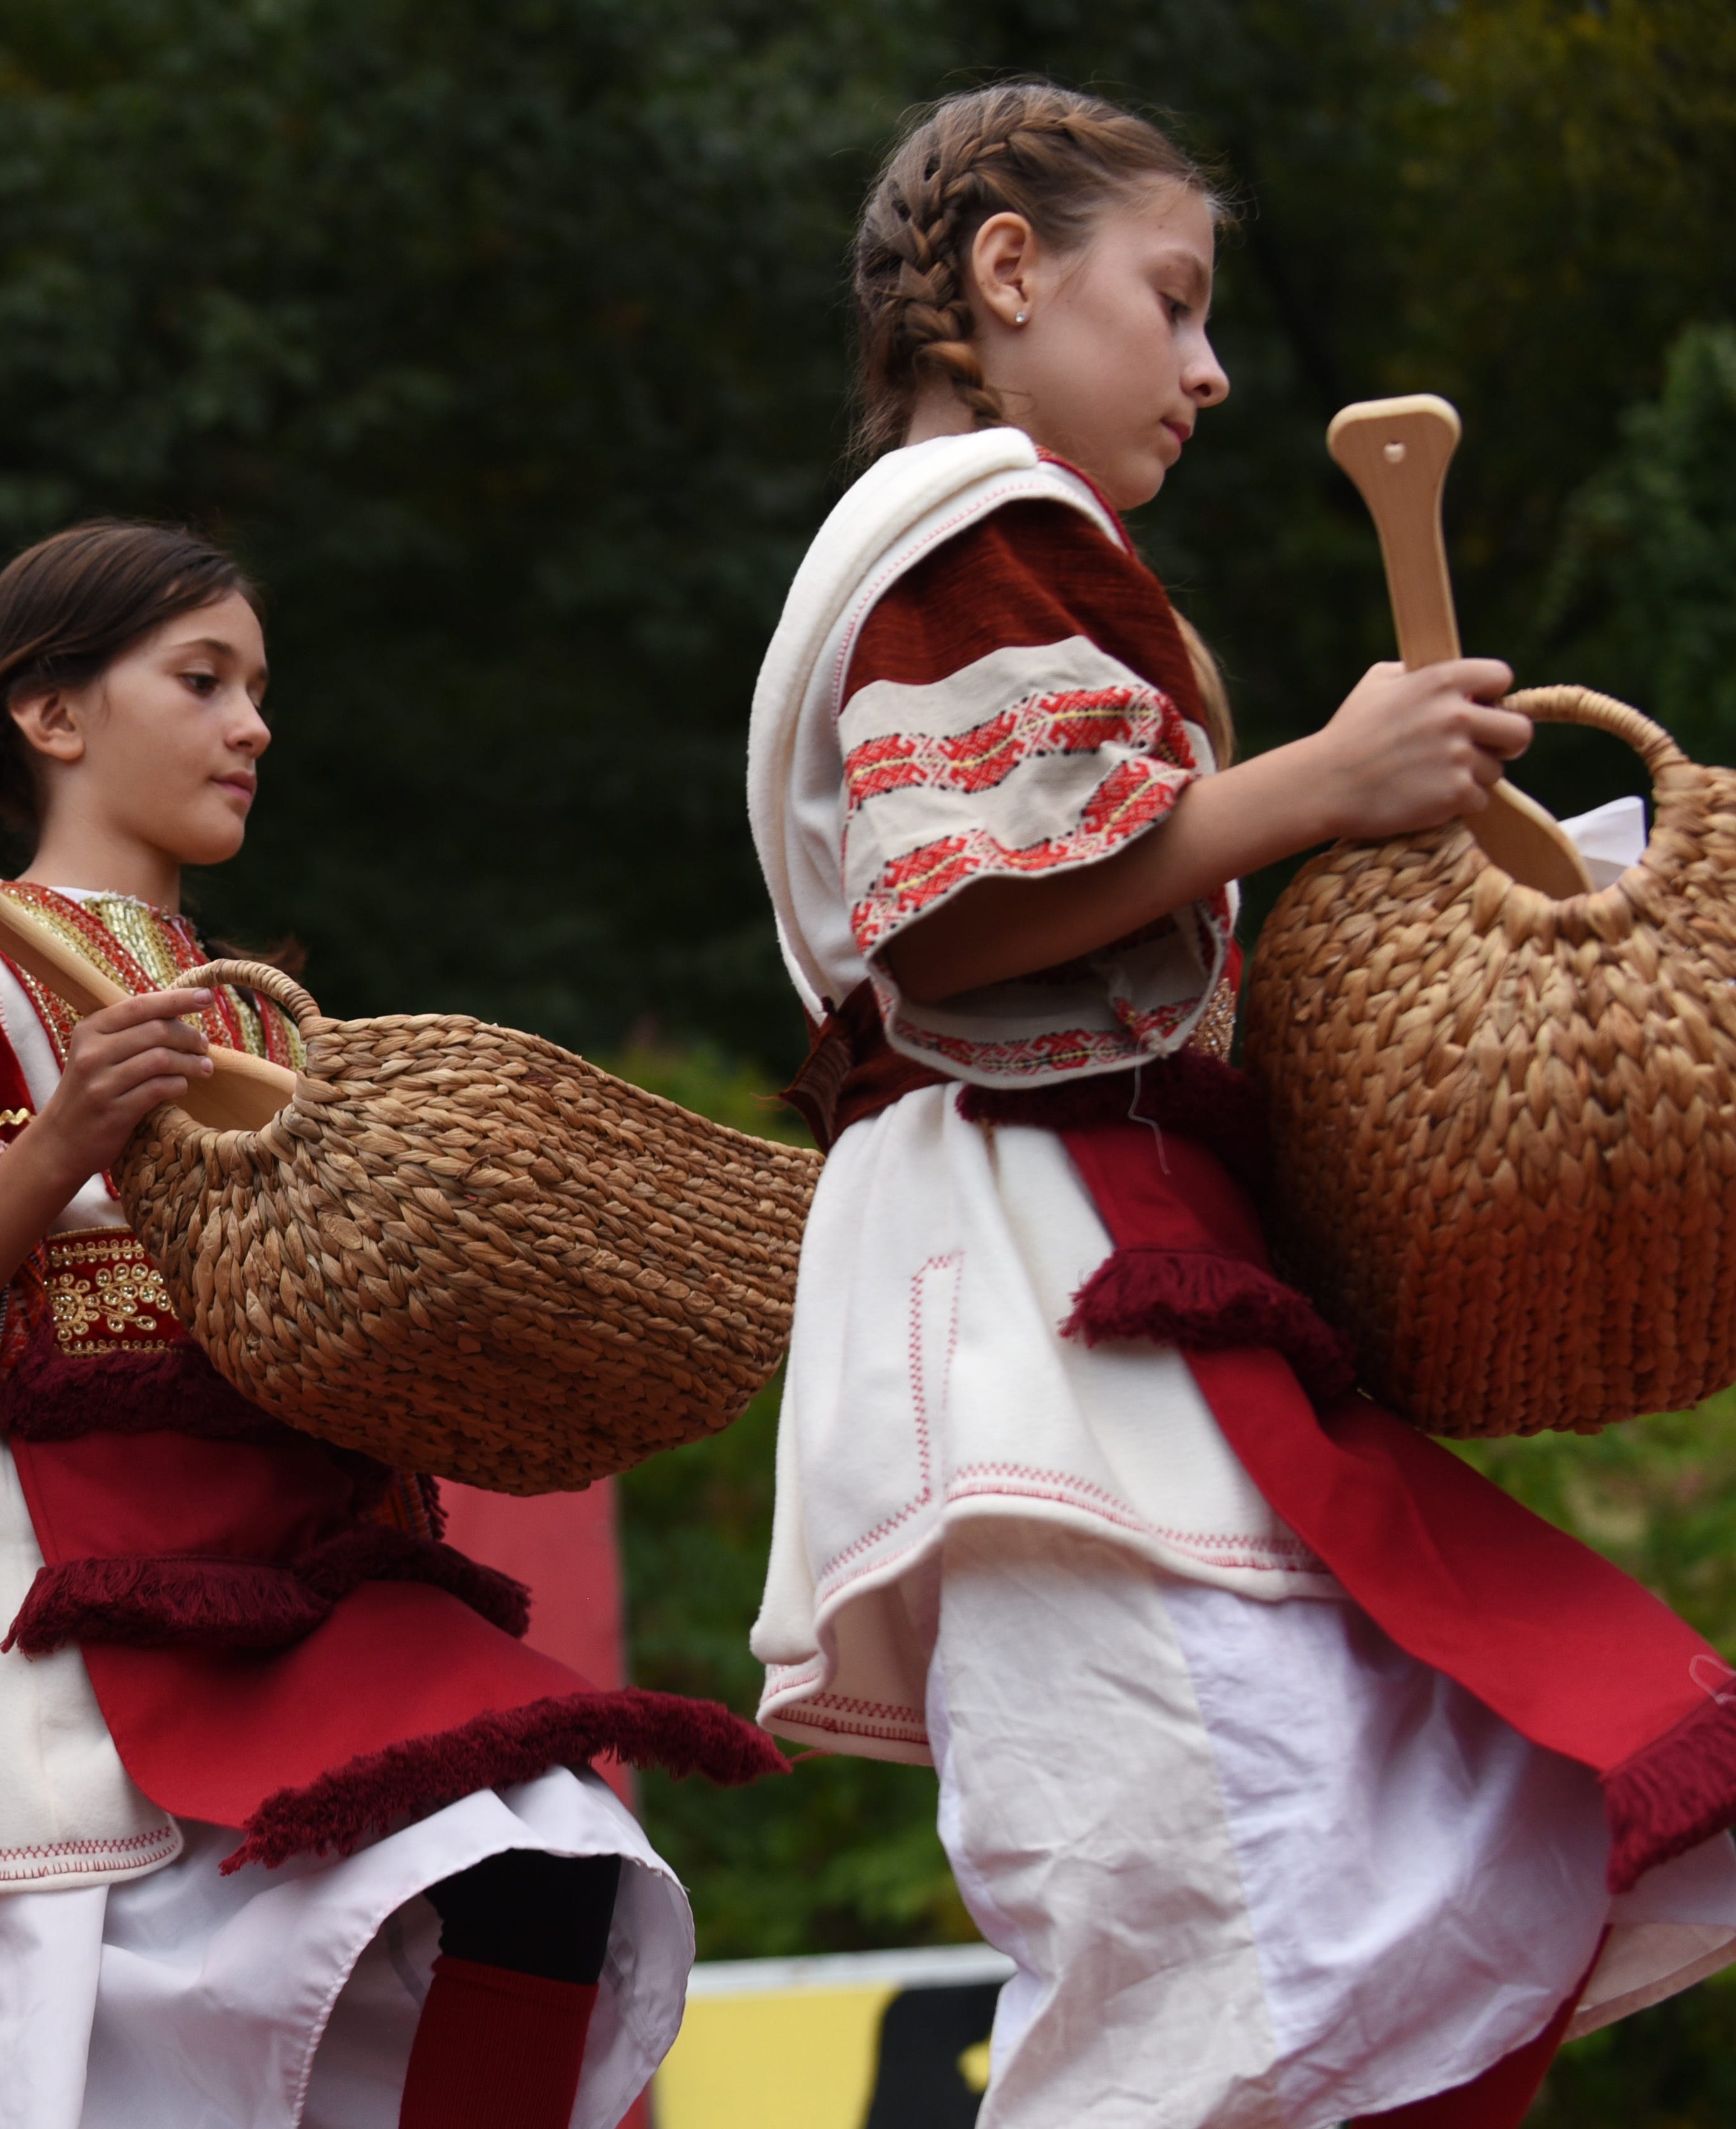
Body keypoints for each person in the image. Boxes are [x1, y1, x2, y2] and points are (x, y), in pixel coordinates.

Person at [743, 82, 1736, 2129]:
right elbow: (953, 933)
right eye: (1174, 301)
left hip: (1116, 1285)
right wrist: (1312, 788)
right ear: (1007, 271)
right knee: (1216, 1917)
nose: (1207, 369)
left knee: (1373, 1860)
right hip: (1040, 1288)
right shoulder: (975, 524)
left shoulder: (1044, 555)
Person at [0, 522, 779, 2129]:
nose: (254, 726)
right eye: (204, 680)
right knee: (105, 2068)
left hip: (300, 1556)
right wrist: (58, 1144)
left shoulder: (243, 995)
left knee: (550, 1852)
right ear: (50, 715)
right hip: (65, 1598)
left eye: (259, 689)